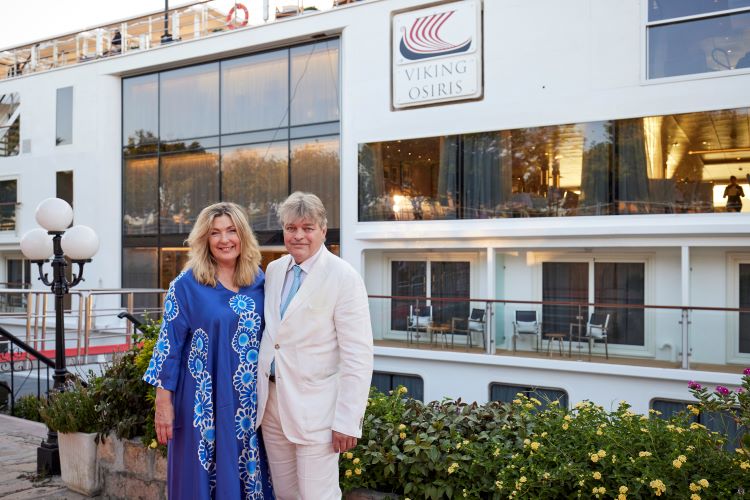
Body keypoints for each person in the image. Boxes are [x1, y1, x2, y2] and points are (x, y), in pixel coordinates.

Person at [142, 202, 274, 499]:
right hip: (202, 402)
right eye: (215, 233)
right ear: (205, 240)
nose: (224, 239)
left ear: (243, 236)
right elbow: (168, 348)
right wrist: (163, 405)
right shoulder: (186, 285)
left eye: (231, 231)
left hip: (248, 404)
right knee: (199, 480)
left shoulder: (261, 282)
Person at [256, 192, 374, 500]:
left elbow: (357, 356)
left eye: (307, 227)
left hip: (316, 411)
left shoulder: (343, 277)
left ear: (323, 230)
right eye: (291, 227)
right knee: (284, 494)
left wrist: (348, 421)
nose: (298, 235)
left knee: (317, 495)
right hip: (270, 404)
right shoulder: (274, 270)